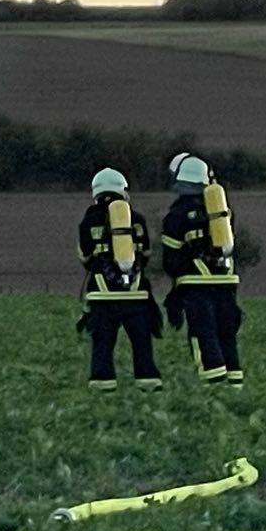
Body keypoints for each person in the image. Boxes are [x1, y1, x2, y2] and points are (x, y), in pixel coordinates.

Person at [160, 153, 243, 387]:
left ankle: (214, 386)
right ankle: (236, 384)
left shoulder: (176, 215)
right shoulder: (221, 212)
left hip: (196, 284)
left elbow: (171, 259)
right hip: (226, 282)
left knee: (203, 334)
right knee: (226, 334)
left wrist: (178, 284)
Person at [75, 167, 162, 392]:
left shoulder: (88, 221)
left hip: (102, 295)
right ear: (123, 191)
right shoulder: (137, 219)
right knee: (142, 344)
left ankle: (102, 386)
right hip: (137, 294)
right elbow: (145, 255)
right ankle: (148, 383)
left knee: (103, 345)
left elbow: (85, 257)